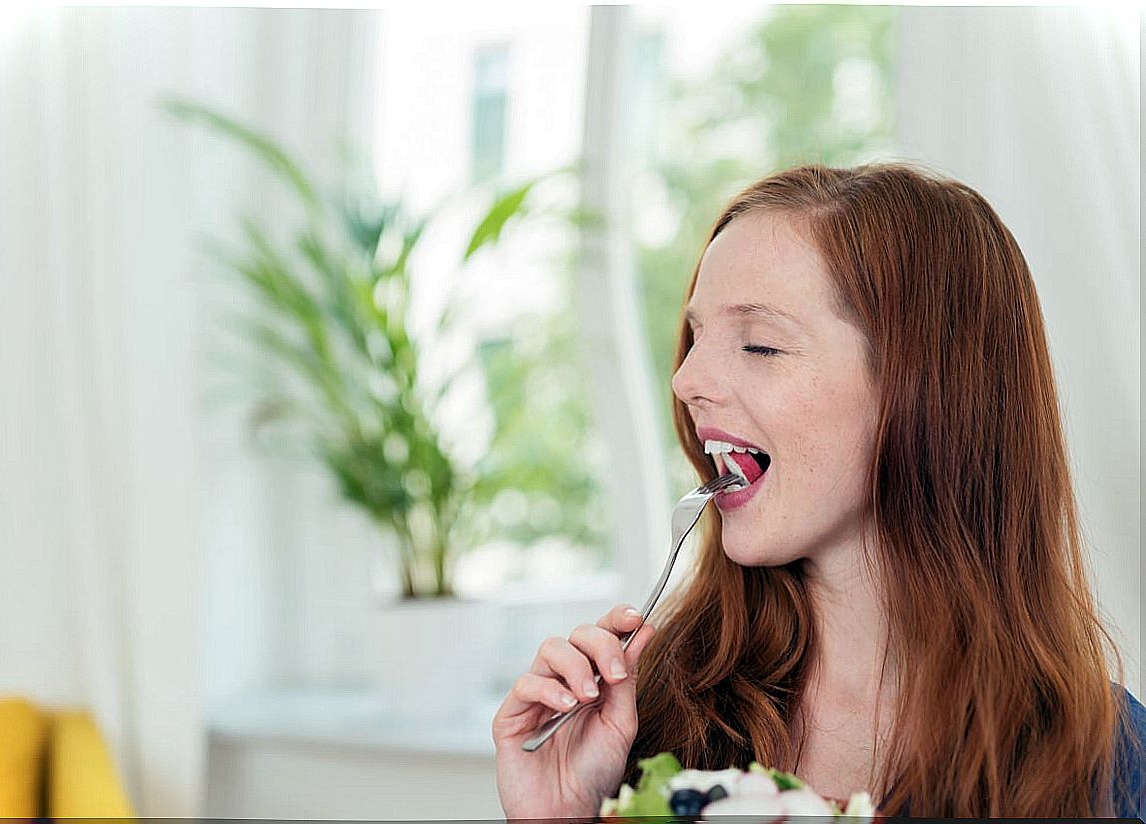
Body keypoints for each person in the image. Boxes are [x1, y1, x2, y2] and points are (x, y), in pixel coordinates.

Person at [491, 162, 1145, 819]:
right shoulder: (646, 720)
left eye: (760, 345)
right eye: (695, 337)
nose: (686, 379)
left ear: (928, 391)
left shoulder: (1102, 759)